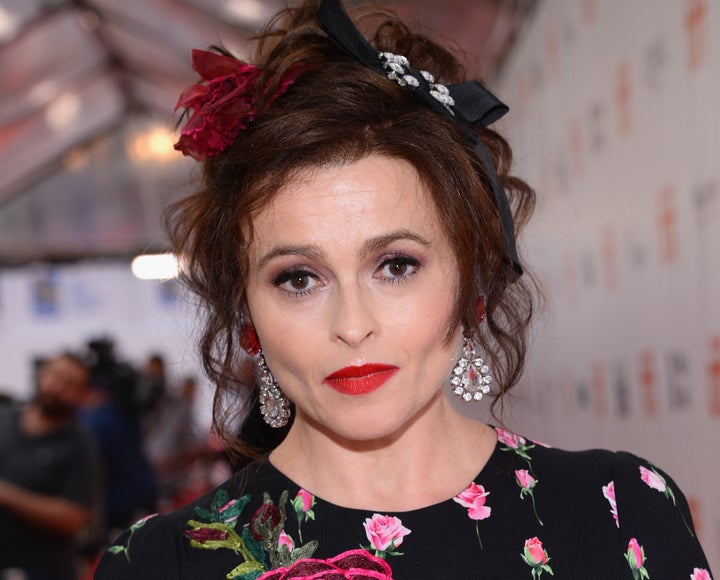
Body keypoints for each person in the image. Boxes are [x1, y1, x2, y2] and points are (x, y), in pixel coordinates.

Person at [96, 1, 713, 578]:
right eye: (299, 278)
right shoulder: (160, 564)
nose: (352, 323)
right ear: (247, 315)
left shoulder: (620, 511)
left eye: (395, 266)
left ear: (472, 280)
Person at [0, 353, 100, 580]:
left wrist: (6, 495)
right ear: (41, 374)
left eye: (70, 384)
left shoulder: (80, 445)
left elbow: (74, 516)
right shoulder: (4, 417)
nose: (57, 387)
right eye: (55, 375)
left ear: (82, 395)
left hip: (41, 569)